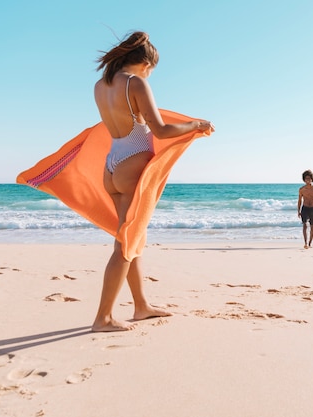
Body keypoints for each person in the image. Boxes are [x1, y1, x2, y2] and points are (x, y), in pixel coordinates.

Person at [92, 31, 215, 332]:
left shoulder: (101, 85)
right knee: (127, 244)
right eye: (151, 69)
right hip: (132, 165)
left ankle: (141, 305)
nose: (150, 74)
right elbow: (160, 130)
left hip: (112, 166)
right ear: (145, 63)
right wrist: (197, 125)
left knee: (129, 240)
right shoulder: (135, 83)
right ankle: (103, 318)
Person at [297, 170, 313, 249]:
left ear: (312, 179)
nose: (308, 180)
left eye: (309, 178)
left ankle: (310, 243)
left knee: (312, 226)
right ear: (304, 179)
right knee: (304, 225)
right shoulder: (301, 189)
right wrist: (298, 211)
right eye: (306, 178)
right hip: (304, 208)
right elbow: (299, 200)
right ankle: (305, 243)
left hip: (312, 208)